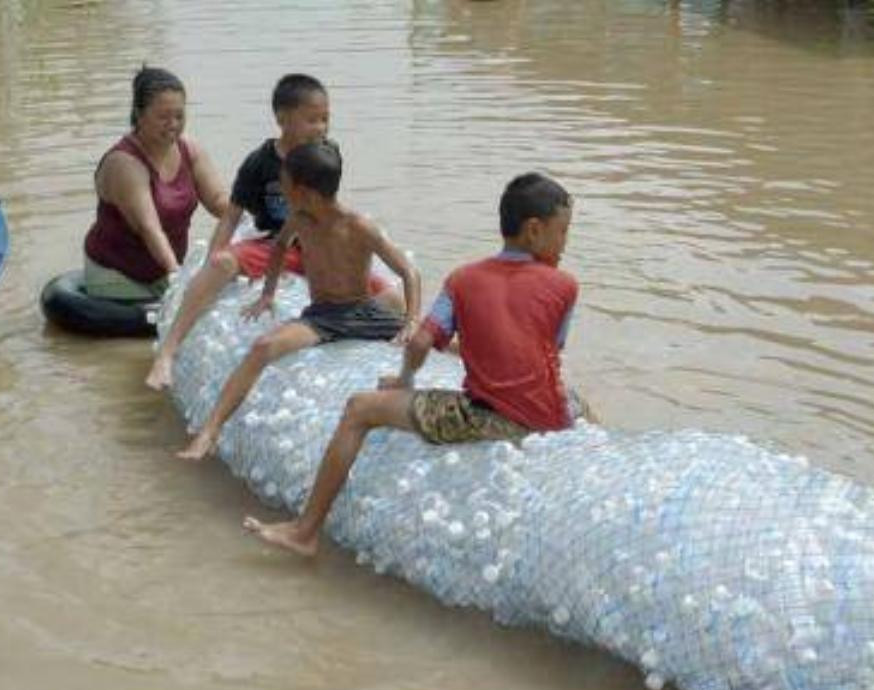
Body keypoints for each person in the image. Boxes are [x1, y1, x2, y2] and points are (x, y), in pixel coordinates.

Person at [243, 172, 590, 556]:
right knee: (582, 403)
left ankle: (304, 531)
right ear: (534, 231)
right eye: (563, 233)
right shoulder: (565, 286)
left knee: (359, 409)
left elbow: (422, 341)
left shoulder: (462, 280)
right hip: (552, 416)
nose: (565, 243)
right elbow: (548, 350)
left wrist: (405, 380)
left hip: (484, 418)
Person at [146, 73, 399, 390]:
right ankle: (167, 355)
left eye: (324, 119)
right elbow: (231, 216)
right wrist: (215, 256)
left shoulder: (327, 152)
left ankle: (388, 360)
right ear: (282, 119)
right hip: (273, 243)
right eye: (311, 120)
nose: (320, 128)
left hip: (316, 245)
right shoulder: (259, 163)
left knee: (391, 296)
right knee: (221, 264)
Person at [177, 140, 421, 461]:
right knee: (263, 348)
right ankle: (209, 432)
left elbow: (409, 272)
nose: (281, 189)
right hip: (322, 316)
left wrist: (413, 320)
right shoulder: (298, 218)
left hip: (363, 312)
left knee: (442, 341)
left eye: (285, 184)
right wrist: (268, 293)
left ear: (305, 191)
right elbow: (278, 248)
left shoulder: (358, 226)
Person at [84, 66, 229, 300]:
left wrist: (259, 222)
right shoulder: (124, 164)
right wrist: (176, 276)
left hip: (163, 272)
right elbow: (149, 228)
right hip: (117, 275)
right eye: (163, 116)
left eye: (179, 116)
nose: (173, 124)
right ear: (139, 115)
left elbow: (217, 201)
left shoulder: (190, 148)